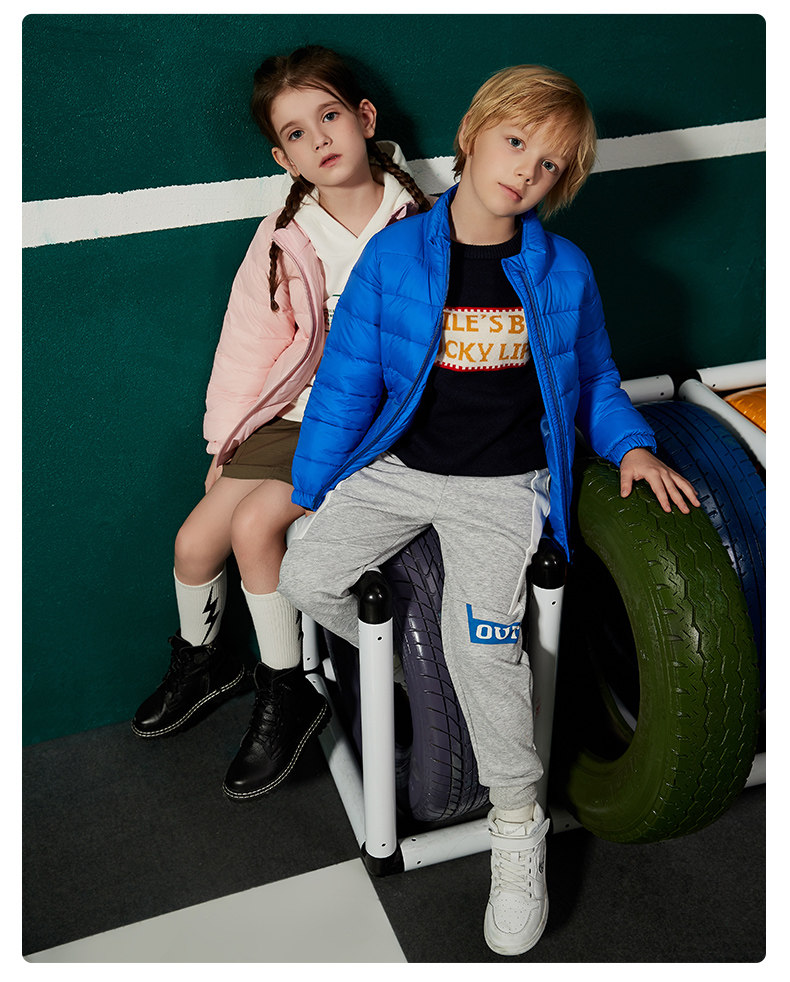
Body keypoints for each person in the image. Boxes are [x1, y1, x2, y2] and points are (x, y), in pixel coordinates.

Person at [278, 64, 699, 956]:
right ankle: (419, 673)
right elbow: (347, 383)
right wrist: (312, 489)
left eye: (550, 165)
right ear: (472, 137)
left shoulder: (562, 269)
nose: (525, 172)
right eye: (515, 144)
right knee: (305, 576)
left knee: (484, 646)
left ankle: (517, 827)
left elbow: (593, 378)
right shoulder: (396, 256)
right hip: (399, 468)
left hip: (503, 488)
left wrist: (632, 446)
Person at [131, 45, 431, 804]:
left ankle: (287, 685)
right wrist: (228, 440)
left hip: (366, 422)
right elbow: (249, 344)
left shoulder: (422, 219)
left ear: (365, 118)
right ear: (283, 157)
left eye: (330, 116)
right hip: (290, 413)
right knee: (193, 541)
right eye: (297, 133)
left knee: (255, 525)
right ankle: (208, 664)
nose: (319, 139)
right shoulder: (286, 232)